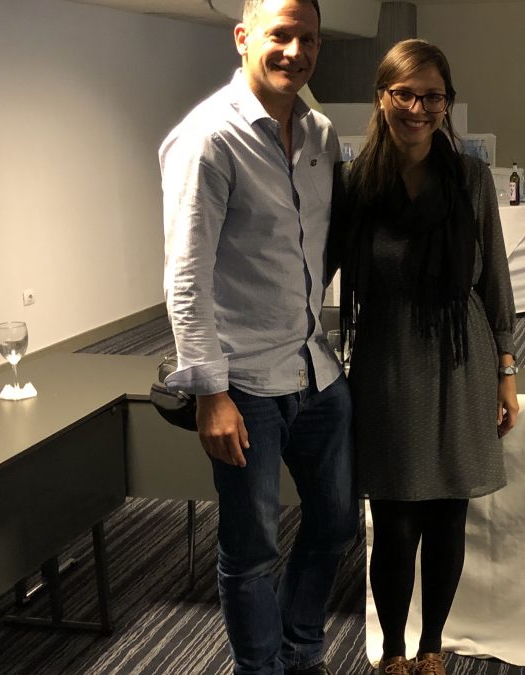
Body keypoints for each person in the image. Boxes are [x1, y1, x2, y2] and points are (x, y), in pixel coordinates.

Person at [158, 1, 356, 674]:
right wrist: (209, 392)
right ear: (244, 38)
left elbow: (318, 248)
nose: (295, 51)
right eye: (281, 35)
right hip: (244, 384)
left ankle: (301, 652)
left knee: (335, 524)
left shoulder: (322, 135)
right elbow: (185, 277)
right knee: (252, 550)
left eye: (309, 39)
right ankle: (262, 668)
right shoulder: (208, 138)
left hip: (316, 370)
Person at [330, 39, 519, 675]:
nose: (418, 107)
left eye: (431, 95)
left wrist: (507, 370)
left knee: (446, 517)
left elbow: (494, 278)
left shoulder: (470, 179)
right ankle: (390, 651)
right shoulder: (358, 184)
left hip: (462, 359)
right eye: (404, 93)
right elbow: (319, 270)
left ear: (447, 104)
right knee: (394, 517)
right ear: (382, 98)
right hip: (386, 361)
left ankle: (433, 645)